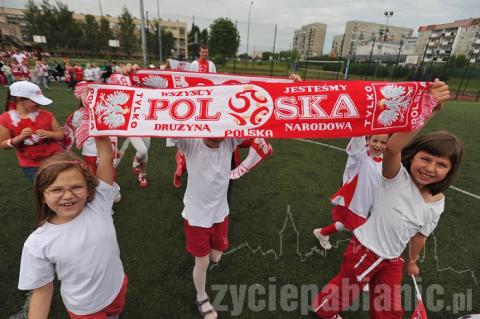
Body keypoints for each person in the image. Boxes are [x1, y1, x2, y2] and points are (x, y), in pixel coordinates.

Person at [311, 80, 463, 319]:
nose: (430, 168)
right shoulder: (396, 177)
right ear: (413, 158)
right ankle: (324, 311)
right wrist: (427, 107)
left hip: (393, 259)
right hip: (366, 250)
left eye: (441, 164)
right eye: (425, 159)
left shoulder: (437, 202)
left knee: (390, 308)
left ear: (450, 170)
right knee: (345, 289)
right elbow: (392, 148)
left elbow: (421, 235)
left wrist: (412, 261)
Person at [18, 137, 128, 319]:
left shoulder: (99, 202)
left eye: (77, 187)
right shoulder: (37, 244)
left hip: (117, 286)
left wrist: (98, 123)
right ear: (42, 195)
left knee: (115, 315)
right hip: (86, 309)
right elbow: (42, 293)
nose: (68, 195)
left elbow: (106, 155)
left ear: (89, 188)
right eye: (56, 190)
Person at [170, 137, 244, 319]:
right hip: (197, 218)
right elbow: (173, 132)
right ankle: (201, 297)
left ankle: (210, 254)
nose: (216, 134)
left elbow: (249, 123)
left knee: (215, 256)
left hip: (220, 213)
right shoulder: (190, 143)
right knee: (202, 263)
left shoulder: (229, 141)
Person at [313, 134, 389, 250]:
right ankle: (356, 263)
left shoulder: (385, 161)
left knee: (347, 225)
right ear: (367, 140)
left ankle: (322, 233)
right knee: (362, 235)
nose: (378, 145)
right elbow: (358, 138)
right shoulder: (360, 155)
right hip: (354, 203)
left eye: (383, 142)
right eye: (375, 140)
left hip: (367, 205)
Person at [0, 81, 63, 181]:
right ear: (20, 100)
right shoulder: (5, 119)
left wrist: (49, 134)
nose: (38, 104)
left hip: (56, 159)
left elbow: (60, 135)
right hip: (31, 166)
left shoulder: (46, 115)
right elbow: (3, 144)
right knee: (44, 189)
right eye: (35, 101)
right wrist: (19, 138)